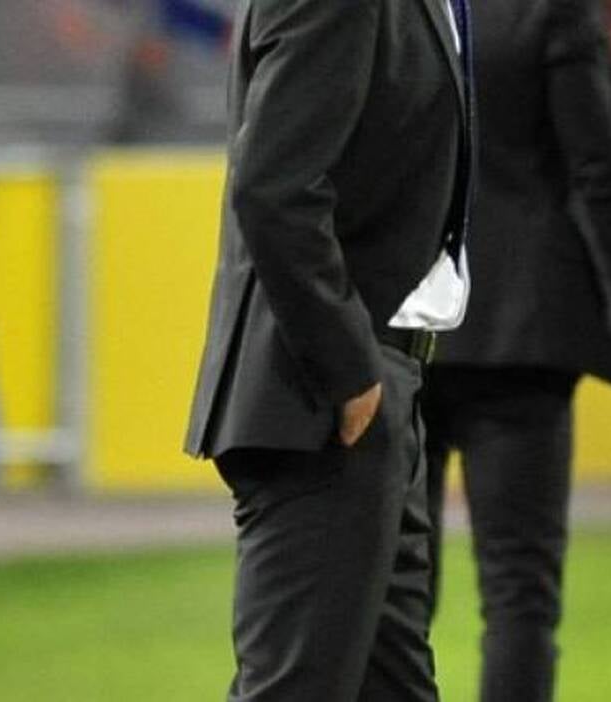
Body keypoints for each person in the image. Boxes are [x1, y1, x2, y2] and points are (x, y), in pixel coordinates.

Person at [183, 0, 473, 699]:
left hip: (380, 378)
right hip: (323, 396)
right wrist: (349, 372)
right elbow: (275, 187)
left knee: (393, 686)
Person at [421, 1, 611, 699]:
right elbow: (600, 166)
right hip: (524, 323)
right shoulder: (549, 9)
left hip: (404, 319)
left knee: (395, 591)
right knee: (520, 590)